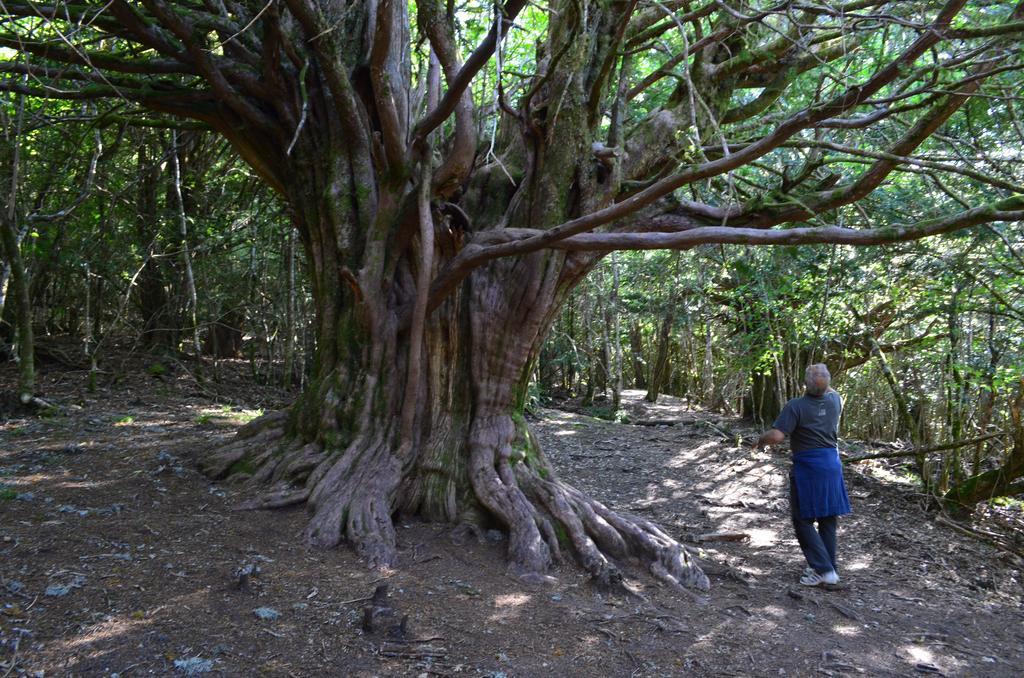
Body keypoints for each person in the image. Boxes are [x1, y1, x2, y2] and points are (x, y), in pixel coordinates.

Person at [753, 363, 851, 586]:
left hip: (809, 467)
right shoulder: (835, 400)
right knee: (827, 519)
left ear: (805, 383)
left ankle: (823, 569)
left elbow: (777, 436)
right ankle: (829, 569)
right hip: (832, 465)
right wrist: (823, 381)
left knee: (802, 519)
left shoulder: (796, 406)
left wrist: (760, 440)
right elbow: (830, 390)